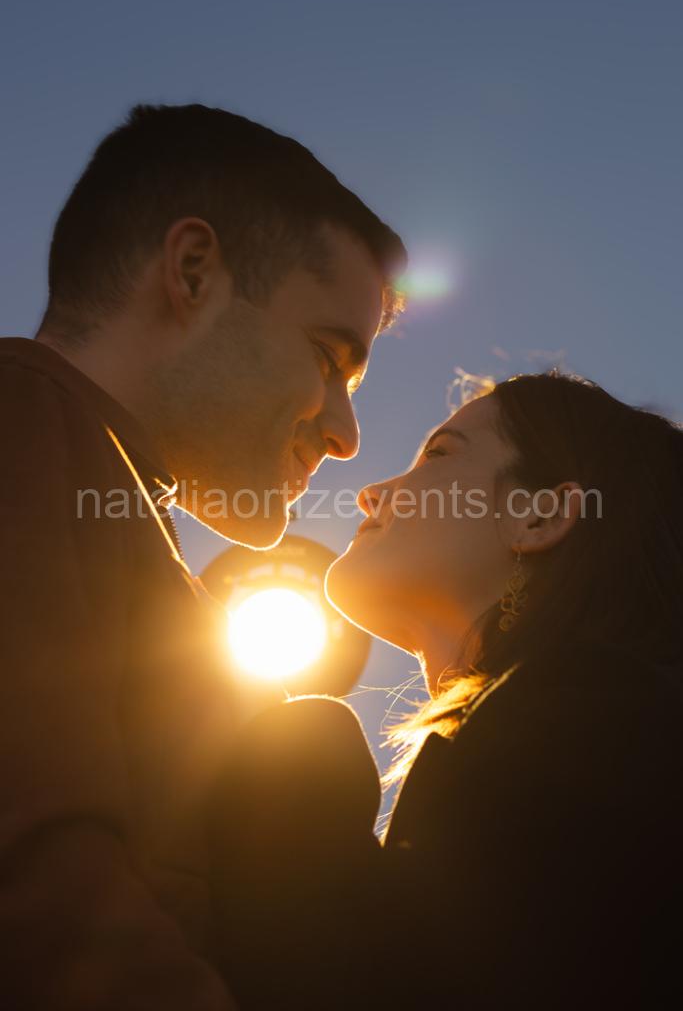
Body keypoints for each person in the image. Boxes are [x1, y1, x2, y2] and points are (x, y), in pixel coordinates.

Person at [0, 103, 406, 1009]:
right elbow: (37, 878)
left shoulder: (108, 505)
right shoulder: (18, 420)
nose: (344, 435)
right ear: (193, 272)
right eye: (328, 357)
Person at [210, 371, 683, 1010]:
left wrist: (293, 770)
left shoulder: (599, 728)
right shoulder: (592, 723)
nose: (372, 493)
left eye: (438, 453)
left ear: (539, 514)